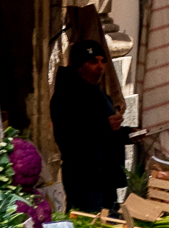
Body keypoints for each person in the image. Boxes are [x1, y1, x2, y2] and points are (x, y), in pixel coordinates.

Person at [53, 39, 128, 213]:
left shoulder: (99, 94)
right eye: (93, 62)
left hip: (105, 179)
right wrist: (104, 126)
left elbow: (106, 132)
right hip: (84, 181)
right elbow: (69, 135)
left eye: (103, 61)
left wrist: (129, 134)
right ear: (79, 66)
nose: (100, 67)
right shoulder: (66, 96)